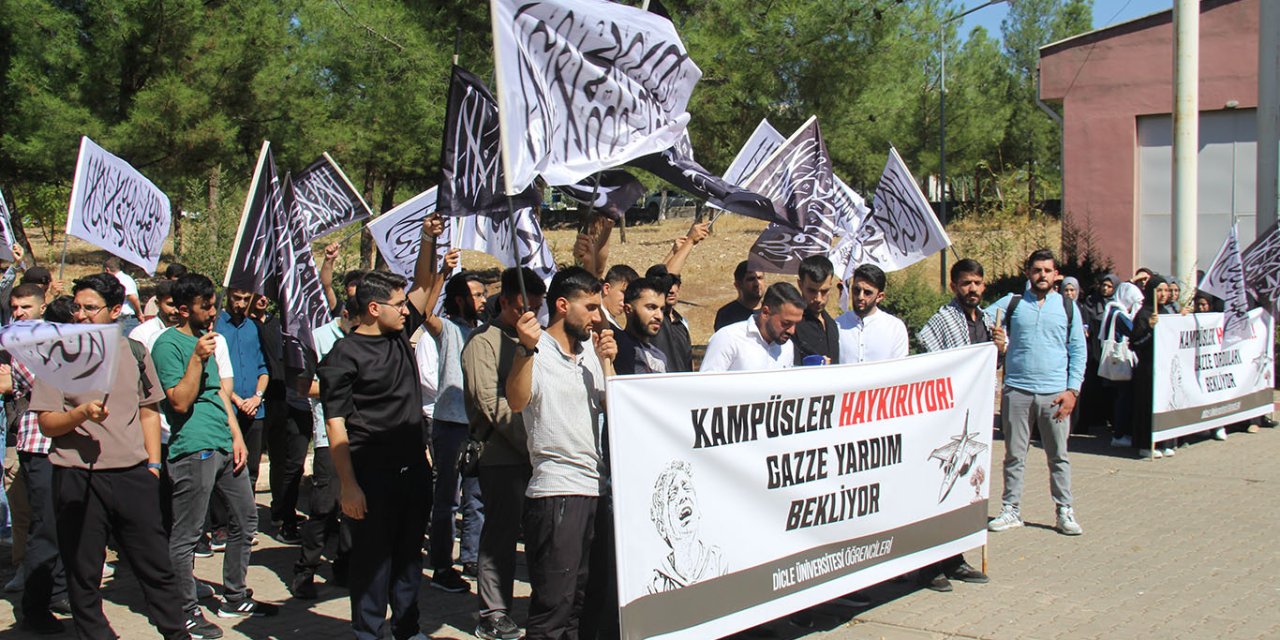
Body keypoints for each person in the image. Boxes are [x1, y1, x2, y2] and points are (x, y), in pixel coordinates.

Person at [31, 273, 189, 639]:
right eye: (77, 307)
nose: (81, 314)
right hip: (77, 476)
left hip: (133, 476)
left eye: (91, 308)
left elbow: (149, 410)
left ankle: (177, 633)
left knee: (156, 567)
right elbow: (47, 424)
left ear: (116, 310)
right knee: (84, 573)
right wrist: (81, 413)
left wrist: (152, 464)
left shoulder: (134, 351)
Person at [319, 260, 437, 640]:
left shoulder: (400, 336)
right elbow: (335, 424)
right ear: (374, 309)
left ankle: (407, 628)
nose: (406, 310)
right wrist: (348, 485)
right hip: (372, 476)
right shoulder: (344, 356)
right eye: (399, 304)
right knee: (372, 563)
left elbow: (422, 284)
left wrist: (427, 239)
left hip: (413, 472)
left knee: (408, 559)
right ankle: (368, 632)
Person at [152, 274, 270, 635]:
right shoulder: (168, 345)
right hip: (193, 447)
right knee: (187, 534)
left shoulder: (210, 342)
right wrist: (196, 360)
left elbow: (219, 394)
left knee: (246, 519)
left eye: (214, 305)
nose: (214, 312)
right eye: (207, 307)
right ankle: (183, 609)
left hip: (223, 442)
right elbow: (179, 400)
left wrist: (237, 436)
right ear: (185, 310)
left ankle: (235, 596)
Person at [506, 266, 616, 640]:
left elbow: (615, 409)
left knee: (580, 605)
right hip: (556, 492)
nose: (597, 317)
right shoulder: (535, 349)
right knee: (553, 605)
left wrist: (608, 362)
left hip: (592, 489)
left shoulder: (589, 354)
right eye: (590, 307)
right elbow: (517, 400)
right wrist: (524, 349)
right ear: (562, 305)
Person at [463, 267, 547, 640]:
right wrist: (531, 439)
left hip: (539, 455)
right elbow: (491, 403)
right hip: (503, 455)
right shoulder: (483, 343)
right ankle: (493, 612)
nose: (529, 316)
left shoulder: (540, 340)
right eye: (522, 308)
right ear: (505, 302)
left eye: (537, 309)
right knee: (499, 537)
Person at [915, 259, 1001, 592]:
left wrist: (1000, 349)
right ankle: (929, 566)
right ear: (954, 286)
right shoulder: (943, 320)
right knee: (938, 490)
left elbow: (990, 367)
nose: (973, 289)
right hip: (946, 419)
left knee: (965, 489)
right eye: (966, 283)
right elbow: (935, 360)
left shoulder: (990, 321)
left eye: (978, 283)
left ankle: (955, 559)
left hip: (975, 418)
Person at [987, 249, 1086, 536]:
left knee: (1058, 455)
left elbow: (1078, 350)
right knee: (1014, 454)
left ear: (1056, 274)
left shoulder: (1068, 307)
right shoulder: (1013, 303)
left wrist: (1073, 392)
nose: (1041, 275)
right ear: (1028, 272)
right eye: (1036, 270)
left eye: (1047, 270)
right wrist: (999, 341)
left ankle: (1064, 510)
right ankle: (1011, 509)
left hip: (1055, 394)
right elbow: (983, 323)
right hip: (1017, 390)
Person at [420, 214, 486, 593]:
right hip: (448, 424)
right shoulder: (447, 328)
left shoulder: (483, 331)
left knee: (476, 498)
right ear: (461, 298)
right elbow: (425, 313)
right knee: (446, 498)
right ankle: (442, 564)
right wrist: (442, 274)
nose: (482, 300)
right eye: (476, 294)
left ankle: (472, 556)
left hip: (477, 425)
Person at [8, 283, 71, 633]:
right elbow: (52, 380)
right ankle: (34, 608)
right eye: (14, 308)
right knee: (44, 528)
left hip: (65, 443)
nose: (18, 313)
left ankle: (58, 590)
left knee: (63, 522)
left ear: (43, 306)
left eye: (25, 307)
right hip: (39, 444)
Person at [290, 297, 358, 600]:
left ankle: (345, 566)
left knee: (354, 509)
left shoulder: (367, 340)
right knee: (323, 506)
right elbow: (304, 387)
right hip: (328, 435)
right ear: (346, 315)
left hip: (361, 437)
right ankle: (306, 569)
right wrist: (347, 384)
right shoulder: (318, 337)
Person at [215, 287, 270, 494]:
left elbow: (263, 368)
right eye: (237, 298)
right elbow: (214, 371)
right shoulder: (217, 326)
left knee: (252, 468)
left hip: (255, 409)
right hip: (228, 408)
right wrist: (237, 400)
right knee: (227, 466)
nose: (241, 303)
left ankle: (246, 518)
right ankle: (222, 523)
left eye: (246, 298)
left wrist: (257, 398)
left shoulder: (253, 328)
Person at [1128, 275, 1180, 458]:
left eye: (1166, 290)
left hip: (1166, 368)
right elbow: (1135, 343)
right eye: (1160, 290)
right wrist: (1150, 328)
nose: (1164, 294)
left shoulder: (1166, 312)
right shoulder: (1143, 314)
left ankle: (1167, 441)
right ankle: (1145, 443)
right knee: (1148, 405)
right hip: (1148, 369)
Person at [700, 282, 804, 373]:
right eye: (786, 323)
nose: (792, 331)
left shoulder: (787, 346)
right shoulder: (728, 339)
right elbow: (706, 386)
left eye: (796, 324)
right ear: (765, 312)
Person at [1099, 282, 1144, 449]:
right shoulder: (1119, 314)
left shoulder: (1112, 309)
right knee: (1124, 398)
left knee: (1121, 397)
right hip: (1121, 361)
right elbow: (1134, 331)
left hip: (1117, 361)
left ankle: (1120, 432)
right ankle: (1119, 434)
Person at [835, 264, 909, 363]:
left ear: (879, 296)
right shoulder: (837, 325)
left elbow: (901, 369)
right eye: (856, 290)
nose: (860, 297)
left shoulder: (895, 328)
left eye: (867, 293)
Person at [791, 256, 840, 365]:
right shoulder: (792, 325)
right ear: (800, 285)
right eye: (812, 291)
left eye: (824, 291)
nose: (818, 298)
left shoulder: (832, 325)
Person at [713, 261, 765, 331]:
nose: (757, 284)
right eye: (751, 279)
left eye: (759, 278)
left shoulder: (772, 311)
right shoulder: (727, 315)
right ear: (738, 285)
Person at [103, 256, 142, 334]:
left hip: (126, 319)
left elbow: (133, 298)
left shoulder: (124, 280)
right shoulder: (115, 280)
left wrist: (139, 314)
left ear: (107, 269)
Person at [600, 264, 639, 332]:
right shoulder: (591, 317)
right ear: (607, 288)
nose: (626, 299)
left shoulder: (618, 330)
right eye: (623, 292)